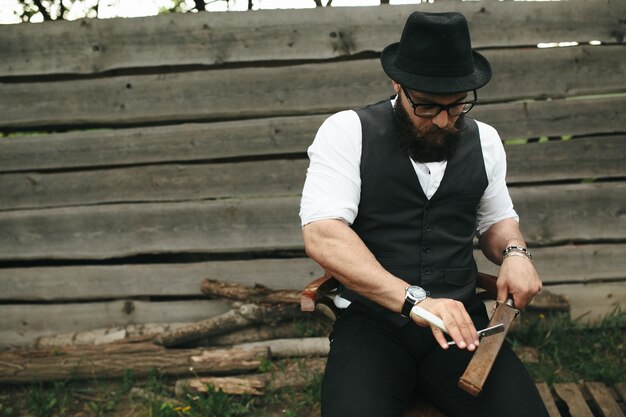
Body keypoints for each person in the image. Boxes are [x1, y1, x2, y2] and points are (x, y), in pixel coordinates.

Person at [299, 10, 549, 417]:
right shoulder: (347, 131)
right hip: (372, 327)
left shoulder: (485, 141)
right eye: (428, 107)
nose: (444, 120)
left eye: (457, 106)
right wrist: (415, 301)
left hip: (462, 329)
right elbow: (323, 233)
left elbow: (497, 223)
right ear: (398, 83)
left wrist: (516, 253)